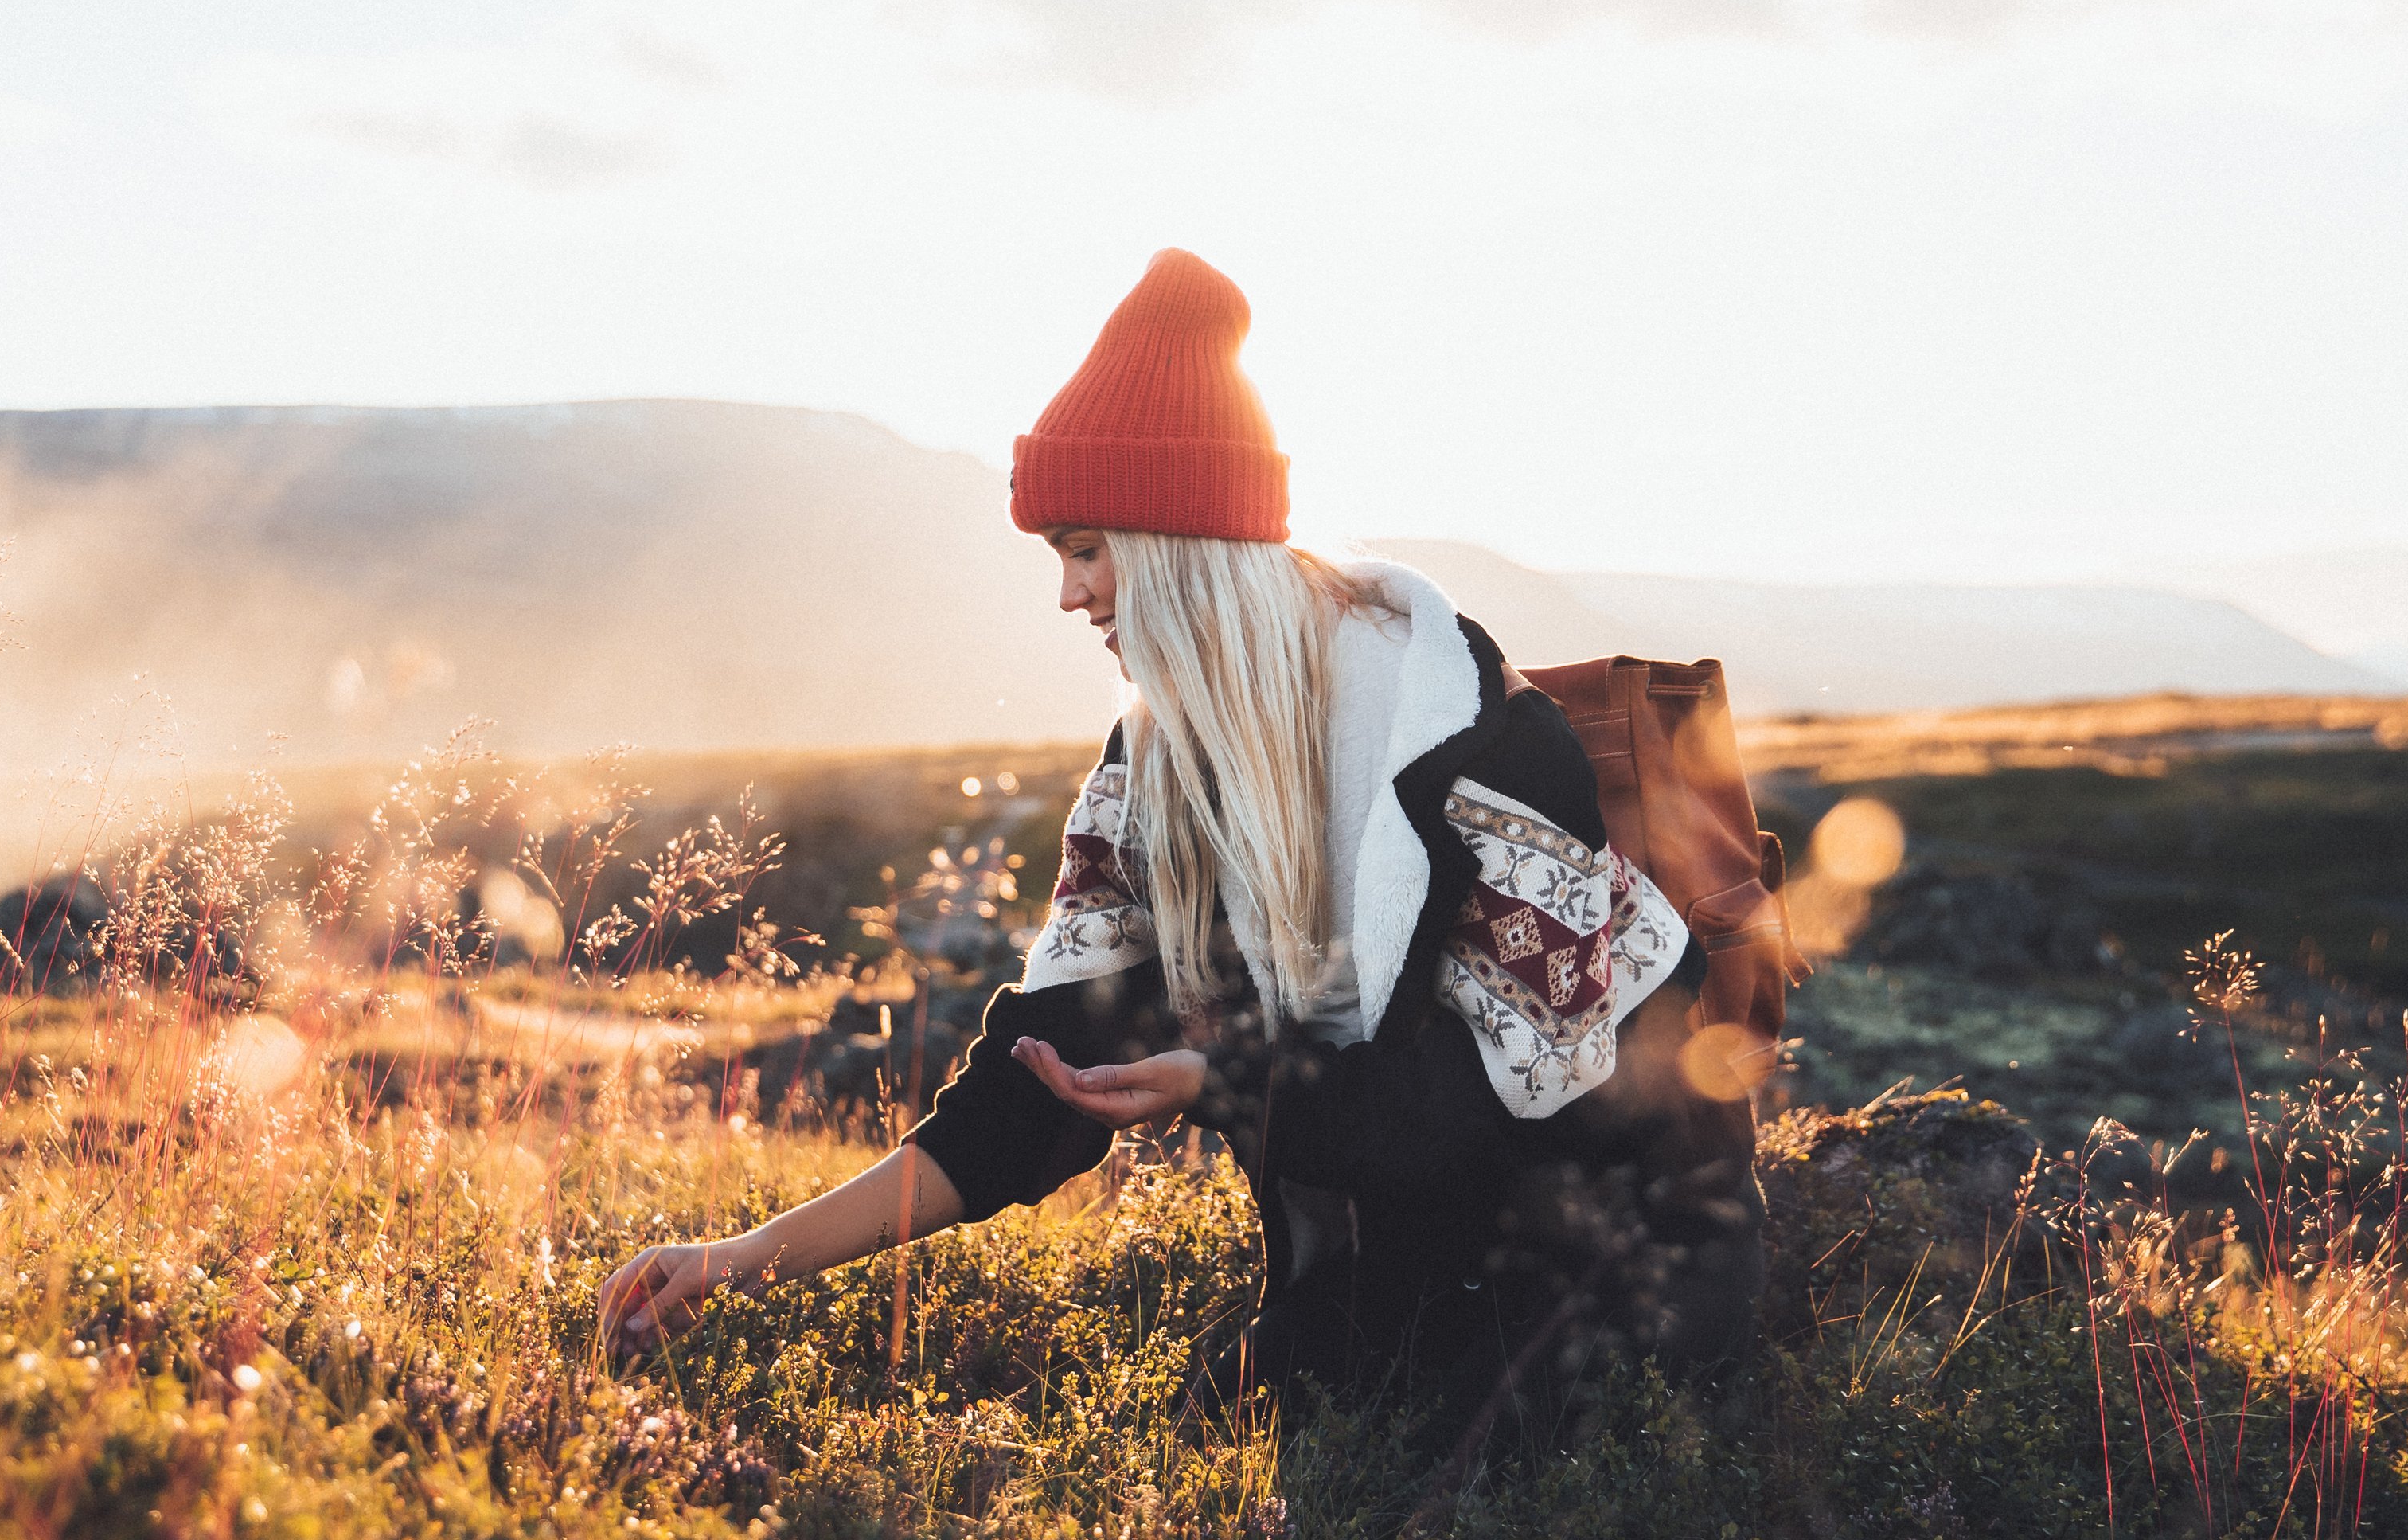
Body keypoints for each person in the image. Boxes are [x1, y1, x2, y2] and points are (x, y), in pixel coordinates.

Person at [600, 249, 1764, 1444]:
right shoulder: (1152, 769)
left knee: (1449, 1494)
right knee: (1221, 1434)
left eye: (1089, 546)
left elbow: (1507, 1101)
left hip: (1628, 1243)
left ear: (1188, 540)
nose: (1069, 594)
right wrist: (747, 1257)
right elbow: (1034, 1083)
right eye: (1059, 554)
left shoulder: (1473, 743)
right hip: (1413, 1248)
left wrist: (1230, 1087)